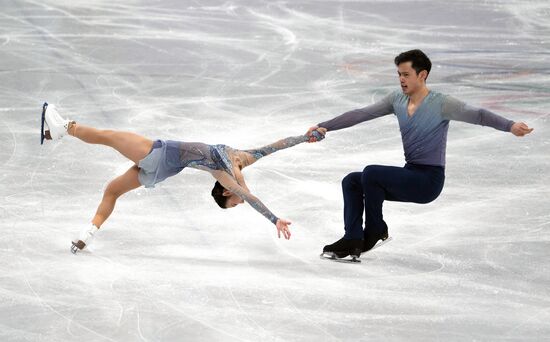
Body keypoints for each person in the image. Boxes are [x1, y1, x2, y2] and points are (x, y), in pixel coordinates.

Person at [306, 49, 534, 261]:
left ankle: (375, 229)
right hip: (410, 173)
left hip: (428, 181)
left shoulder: (441, 103)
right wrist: (324, 126)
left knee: (371, 173)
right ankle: (353, 238)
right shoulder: (397, 100)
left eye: (406, 74)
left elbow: (479, 115)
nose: (401, 79)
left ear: (422, 74)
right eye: (399, 75)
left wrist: (510, 125)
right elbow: (362, 114)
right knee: (352, 181)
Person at [40, 103, 326, 253]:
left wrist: (274, 219)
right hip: (160, 170)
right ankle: (87, 234)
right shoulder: (242, 159)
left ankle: (64, 128)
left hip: (159, 156)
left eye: (234, 203)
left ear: (227, 192)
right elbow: (276, 146)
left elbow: (250, 198)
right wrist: (306, 136)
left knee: (110, 137)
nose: (239, 201)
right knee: (112, 191)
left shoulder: (226, 176)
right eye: (236, 203)